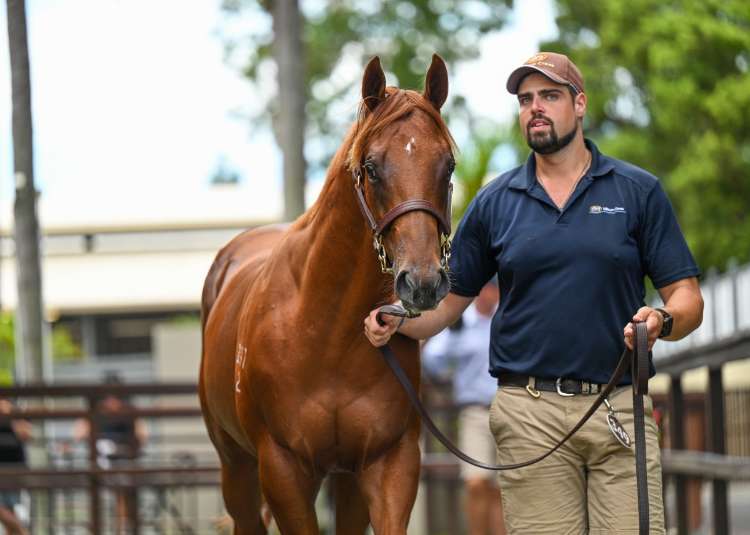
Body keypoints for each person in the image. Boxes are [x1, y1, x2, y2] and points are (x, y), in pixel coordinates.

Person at [364, 51, 704, 534]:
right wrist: (396, 318)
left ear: (580, 104)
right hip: (529, 416)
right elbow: (445, 307)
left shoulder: (637, 191)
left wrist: (661, 320)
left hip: (618, 408)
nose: (535, 108)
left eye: (549, 96)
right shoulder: (494, 202)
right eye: (525, 100)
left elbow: (688, 298)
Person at [422, 280, 505, 535]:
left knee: (502, 488)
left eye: (493, 289)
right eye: (484, 289)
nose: (488, 295)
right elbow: (432, 359)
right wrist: (454, 345)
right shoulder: (461, 324)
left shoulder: (505, 318)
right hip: (474, 412)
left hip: (508, 411)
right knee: (476, 483)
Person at [73, 375, 147, 534]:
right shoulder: (95, 412)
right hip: (102, 461)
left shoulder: (130, 412)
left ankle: (121, 528)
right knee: (105, 489)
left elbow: (142, 436)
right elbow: (79, 433)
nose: (112, 401)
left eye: (116, 397)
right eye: (108, 397)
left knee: (122, 491)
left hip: (124, 461)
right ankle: (109, 527)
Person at [0, 398, 31, 535]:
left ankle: (20, 531)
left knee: (8, 508)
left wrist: (11, 415)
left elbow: (25, 435)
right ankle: (22, 531)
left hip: (14, 467)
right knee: (6, 511)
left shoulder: (15, 412)